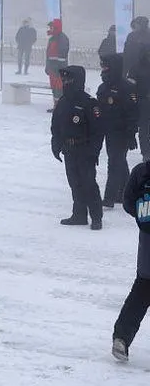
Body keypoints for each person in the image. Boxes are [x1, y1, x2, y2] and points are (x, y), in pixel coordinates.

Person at [51, 66, 104, 229]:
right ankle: (79, 215)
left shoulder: (89, 103)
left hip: (85, 150)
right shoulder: (63, 102)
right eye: (64, 80)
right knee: (74, 183)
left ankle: (96, 217)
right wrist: (56, 143)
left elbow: (98, 131)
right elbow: (56, 125)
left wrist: (93, 152)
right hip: (69, 150)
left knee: (88, 183)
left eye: (69, 80)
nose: (65, 83)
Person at [111, 161, 150, 362]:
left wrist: (143, 214)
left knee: (138, 298)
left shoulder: (141, 171)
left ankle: (121, 339)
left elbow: (128, 202)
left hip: (147, 253)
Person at [97, 54, 139, 208]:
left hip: (121, 132)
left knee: (114, 162)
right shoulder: (103, 87)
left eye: (106, 67)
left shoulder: (126, 88)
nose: (103, 70)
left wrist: (131, 133)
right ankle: (127, 192)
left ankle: (110, 197)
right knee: (119, 161)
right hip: (108, 132)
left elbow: (132, 113)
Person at [46, 19, 70, 112]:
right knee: (54, 88)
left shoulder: (62, 38)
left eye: (52, 27)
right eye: (50, 27)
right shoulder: (52, 38)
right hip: (52, 68)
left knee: (59, 88)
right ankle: (56, 106)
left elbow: (63, 54)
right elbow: (48, 54)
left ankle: (60, 107)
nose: (50, 28)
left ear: (56, 27)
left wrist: (58, 66)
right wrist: (48, 66)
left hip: (59, 69)